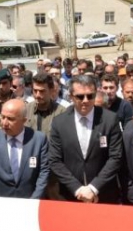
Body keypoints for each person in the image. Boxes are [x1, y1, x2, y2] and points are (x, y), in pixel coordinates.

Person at [49, 75, 123, 204]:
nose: (85, 100)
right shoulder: (59, 122)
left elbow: (115, 157)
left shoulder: (110, 120)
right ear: (71, 96)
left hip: (104, 194)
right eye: (80, 96)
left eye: (90, 96)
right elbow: (55, 160)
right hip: (71, 195)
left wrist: (93, 188)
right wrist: (77, 189)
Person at [0, 100, 49, 198]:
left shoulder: (38, 140)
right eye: (3, 117)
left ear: (24, 120)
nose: (4, 123)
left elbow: (43, 173)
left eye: (10, 119)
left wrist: (34, 201)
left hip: (29, 202)